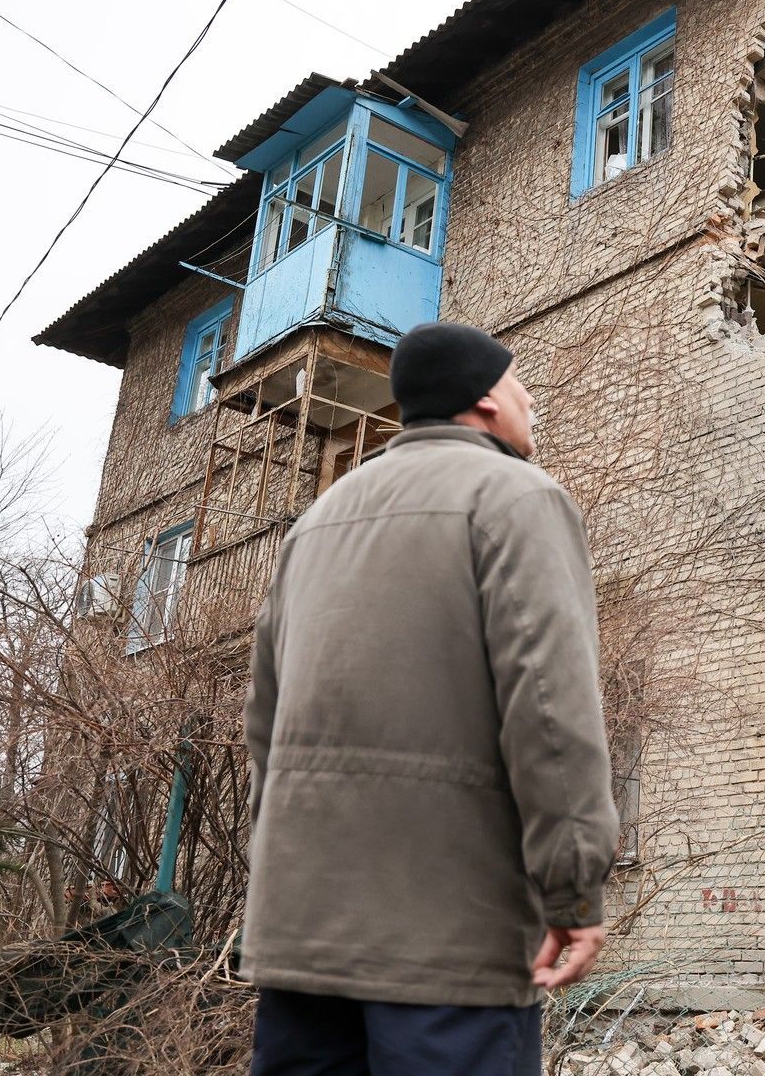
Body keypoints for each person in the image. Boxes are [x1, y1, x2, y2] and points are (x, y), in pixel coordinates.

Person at [243, 322, 620, 1076]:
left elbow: (264, 726)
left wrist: (282, 879)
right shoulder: (518, 498)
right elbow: (549, 714)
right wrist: (574, 893)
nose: (531, 399)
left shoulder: (316, 523)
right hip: (449, 942)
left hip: (301, 936)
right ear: (484, 398)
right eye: (520, 382)